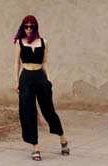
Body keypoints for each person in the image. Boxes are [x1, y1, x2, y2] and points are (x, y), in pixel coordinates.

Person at [13, 15, 69, 161]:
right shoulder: (19, 42)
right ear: (23, 27)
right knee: (28, 112)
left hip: (40, 77)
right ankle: (35, 148)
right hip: (26, 78)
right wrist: (16, 81)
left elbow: (44, 62)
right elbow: (16, 64)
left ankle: (63, 139)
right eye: (26, 26)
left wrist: (48, 80)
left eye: (31, 26)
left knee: (49, 110)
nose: (29, 29)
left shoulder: (44, 42)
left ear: (36, 27)